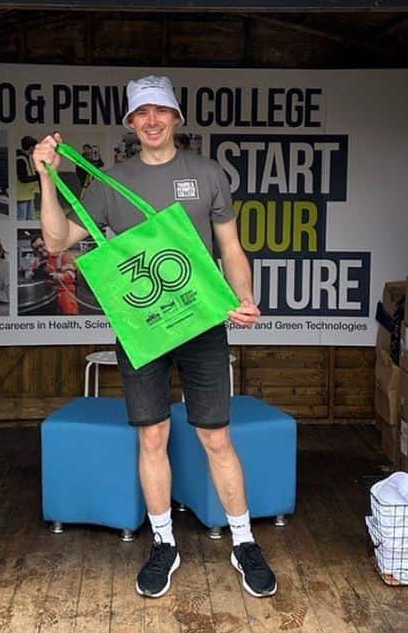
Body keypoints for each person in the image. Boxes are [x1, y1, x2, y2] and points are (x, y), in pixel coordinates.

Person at [33, 75, 277, 600]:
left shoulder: (207, 174)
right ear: (130, 123)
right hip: (142, 327)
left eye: (160, 111)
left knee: (215, 436)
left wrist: (244, 296)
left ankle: (244, 540)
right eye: (141, 113)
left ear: (176, 119)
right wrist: (48, 178)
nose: (151, 121)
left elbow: (230, 248)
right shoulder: (107, 182)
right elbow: (57, 241)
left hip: (203, 323)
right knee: (153, 436)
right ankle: (164, 543)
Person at [16, 136, 39, 221]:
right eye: (35, 148)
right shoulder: (20, 159)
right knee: (22, 219)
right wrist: (38, 177)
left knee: (30, 219)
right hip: (21, 196)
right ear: (31, 147)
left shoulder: (26, 157)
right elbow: (23, 178)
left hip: (28, 194)